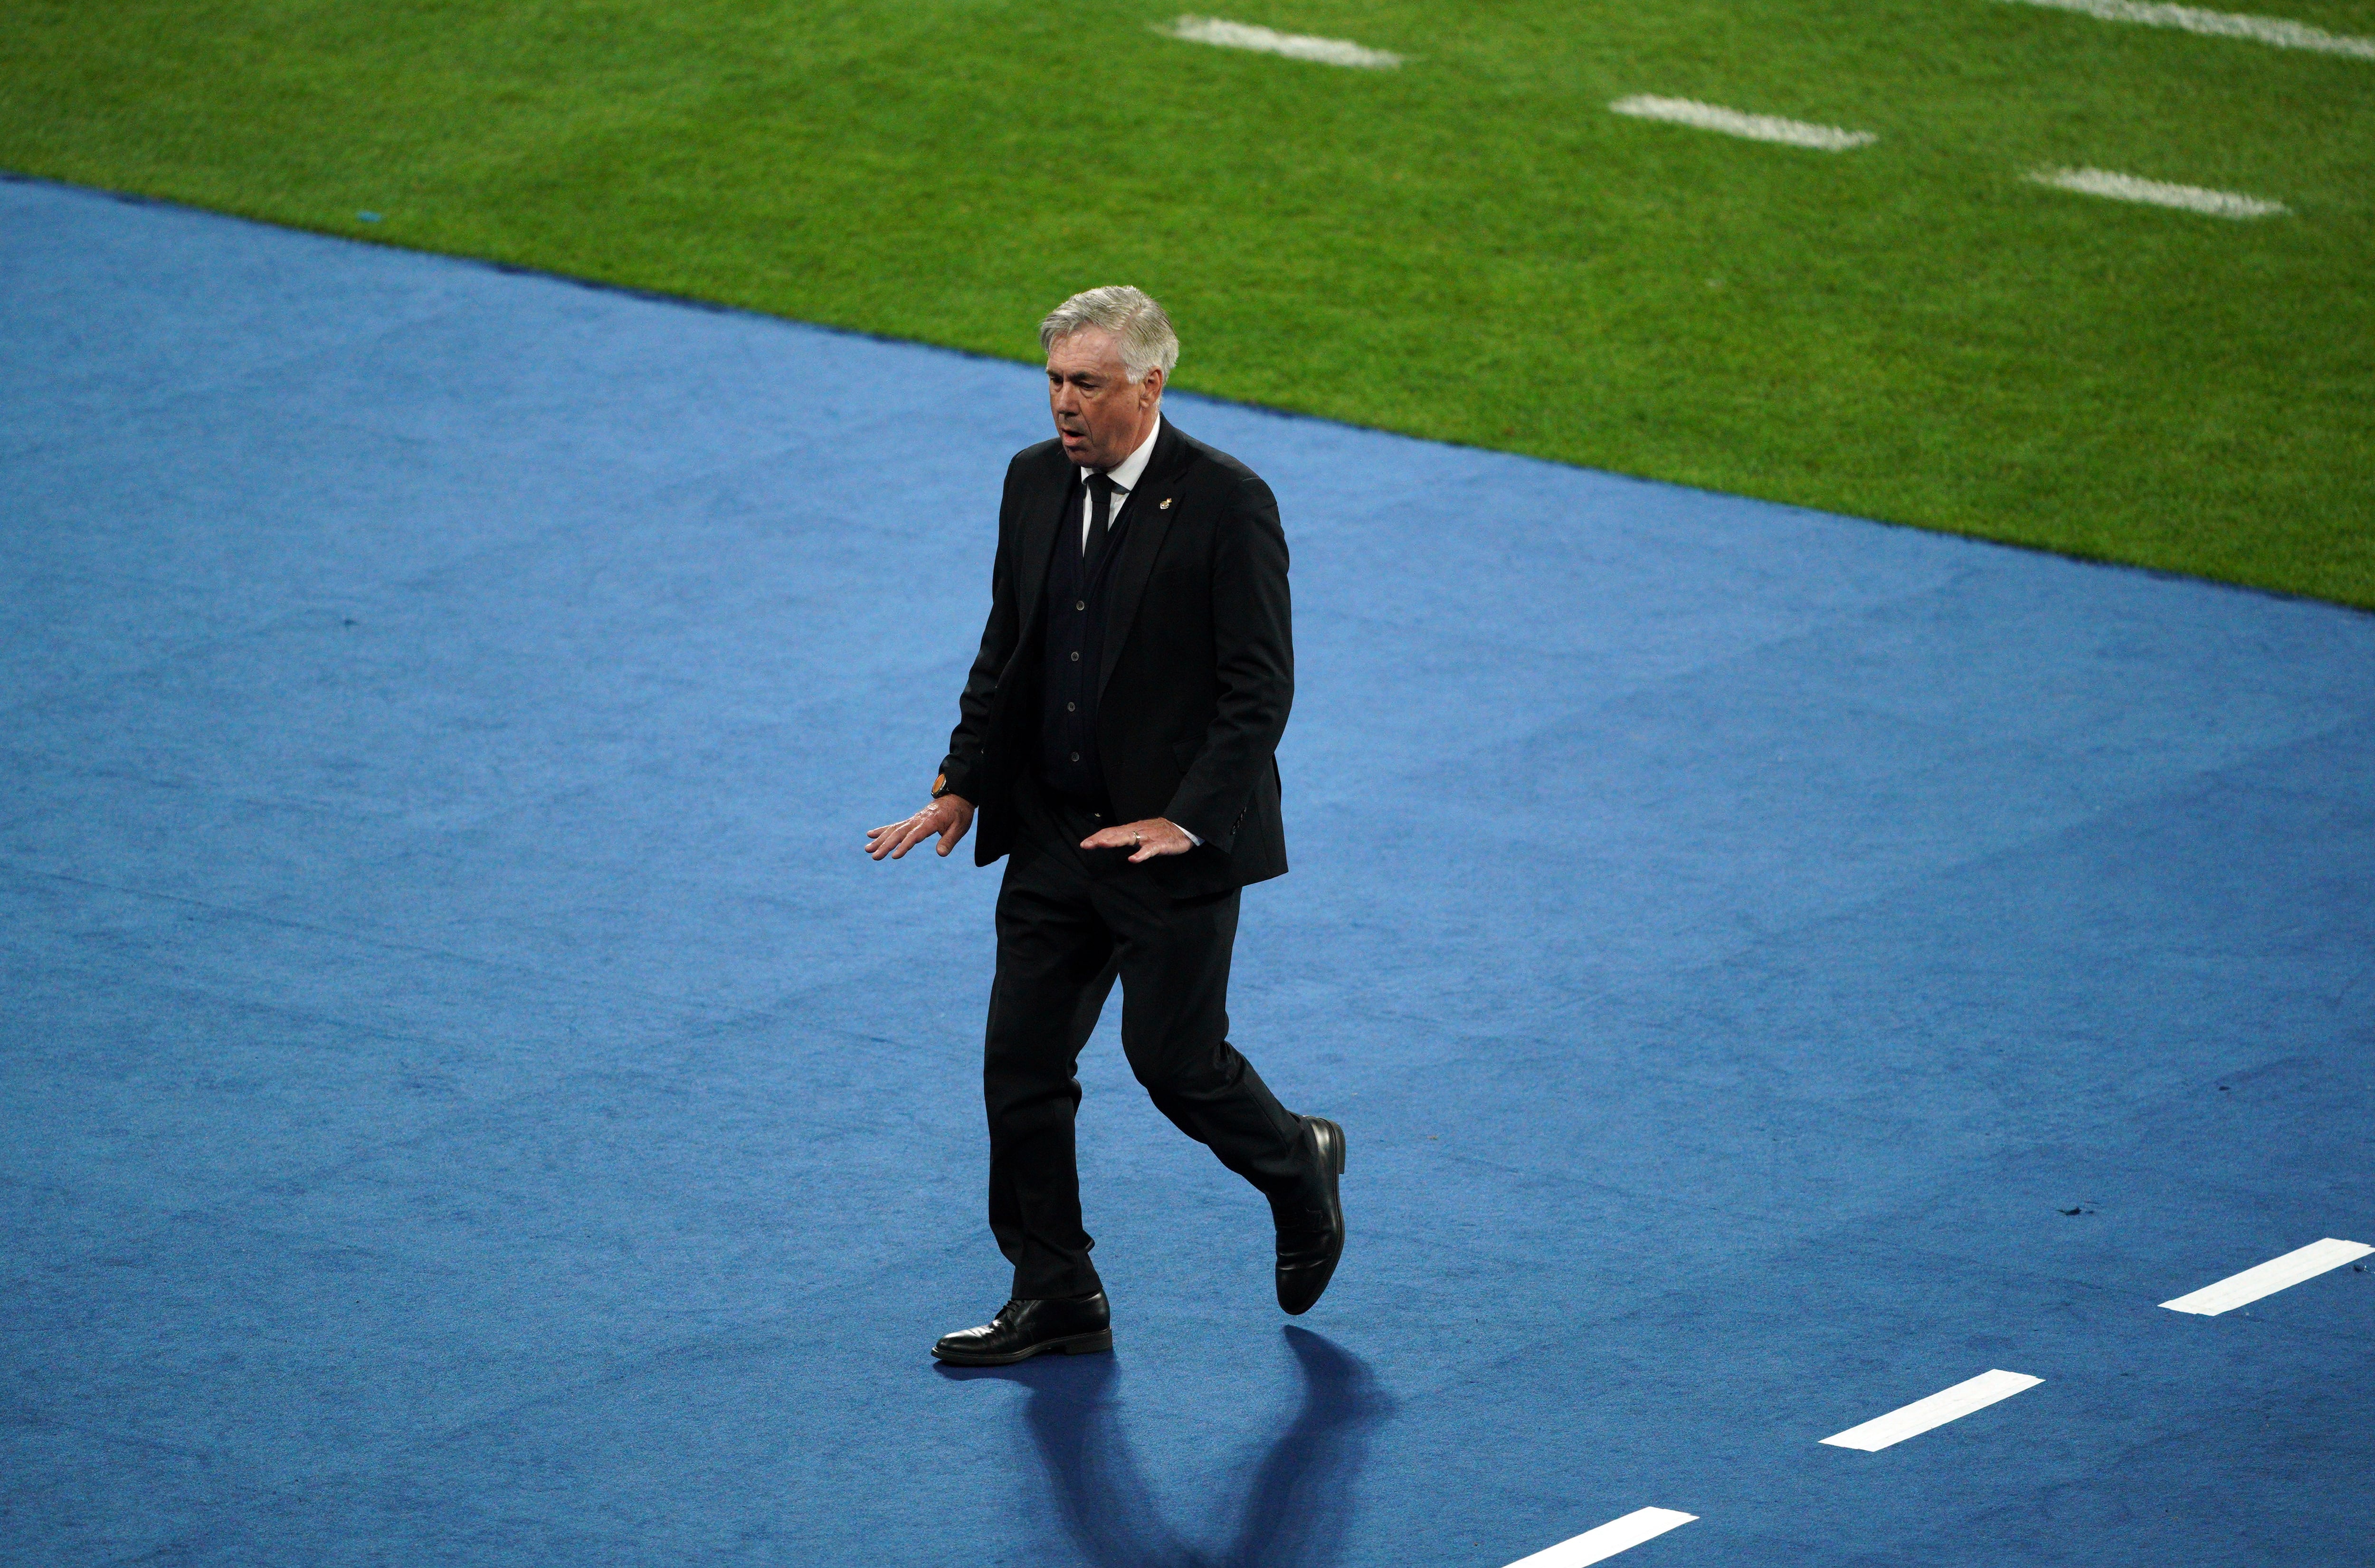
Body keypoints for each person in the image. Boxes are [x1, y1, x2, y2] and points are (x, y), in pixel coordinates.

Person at [866, 285, 1346, 1366]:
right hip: (1047, 833)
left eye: (1087, 383)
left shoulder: (1227, 502)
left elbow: (1257, 689)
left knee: (1174, 1065)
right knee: (1020, 1065)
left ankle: (1297, 1161)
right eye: (1053, 381)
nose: (1062, 405)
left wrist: (1188, 820)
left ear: (1149, 385)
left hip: (1165, 848)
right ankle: (1057, 1288)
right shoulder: (1033, 483)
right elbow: (1009, 648)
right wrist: (960, 783)